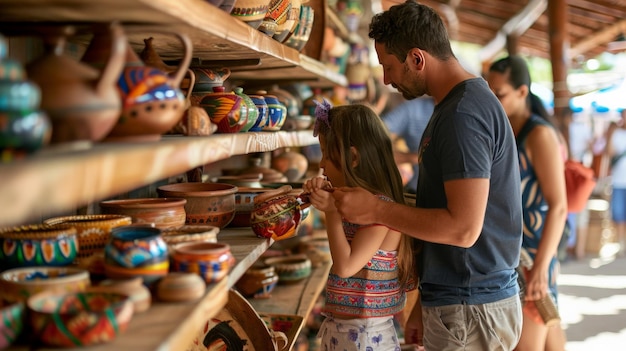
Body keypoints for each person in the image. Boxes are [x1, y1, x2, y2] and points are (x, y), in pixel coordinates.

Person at [328, 1, 524, 350]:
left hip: (470, 306)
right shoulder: (452, 106)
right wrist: (421, 304)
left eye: (389, 67)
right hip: (460, 301)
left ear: (417, 59)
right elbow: (443, 212)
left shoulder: (463, 115)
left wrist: (376, 210)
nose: (386, 80)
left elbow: (462, 229)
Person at [302, 101, 416, 351]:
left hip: (366, 337)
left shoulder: (382, 210)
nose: (321, 164)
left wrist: (331, 211)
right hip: (346, 331)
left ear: (352, 158)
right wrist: (323, 195)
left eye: (324, 153)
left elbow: (345, 266)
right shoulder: (355, 202)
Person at [487, 55, 568, 351]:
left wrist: (543, 266)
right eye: (490, 92)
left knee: (528, 341)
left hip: (535, 254)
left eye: (500, 93)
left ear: (522, 92)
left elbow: (558, 206)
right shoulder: (506, 130)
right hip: (516, 252)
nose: (494, 99)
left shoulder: (539, 135)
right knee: (547, 329)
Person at [382, 96, 435, 194]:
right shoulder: (413, 109)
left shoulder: (467, 109)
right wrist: (415, 158)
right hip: (417, 192)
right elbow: (371, 138)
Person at [606, 108, 626, 255]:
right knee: (618, 214)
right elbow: (609, 153)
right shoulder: (617, 134)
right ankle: (621, 243)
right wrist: (610, 134)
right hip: (619, 180)